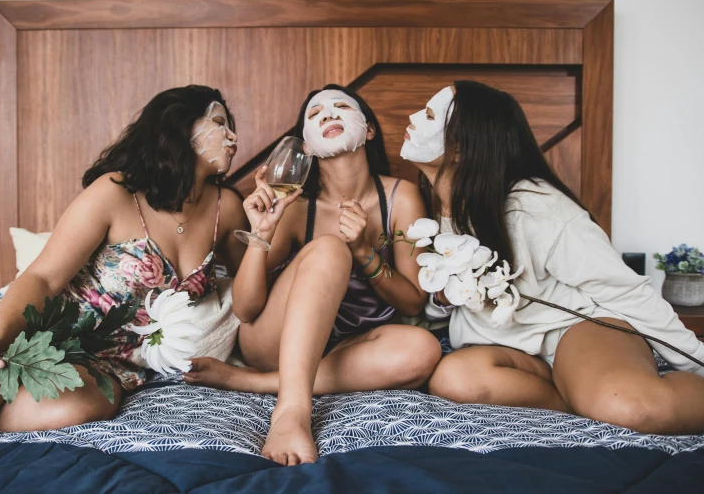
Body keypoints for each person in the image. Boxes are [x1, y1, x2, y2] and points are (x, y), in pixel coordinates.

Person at [0, 85, 248, 438]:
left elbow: (251, 291)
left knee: (79, 408)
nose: (233, 136)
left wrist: (266, 230)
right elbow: (44, 277)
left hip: (103, 359)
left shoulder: (227, 208)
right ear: (183, 128)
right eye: (219, 122)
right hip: (32, 323)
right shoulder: (115, 191)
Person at [403, 80, 704, 435]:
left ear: (460, 148)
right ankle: (578, 396)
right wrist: (441, 300)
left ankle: (598, 392)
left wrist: (697, 362)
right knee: (454, 380)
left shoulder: (534, 206)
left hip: (576, 331)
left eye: (428, 114)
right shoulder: (429, 215)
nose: (412, 117)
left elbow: (623, 290)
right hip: (514, 353)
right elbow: (437, 300)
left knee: (631, 408)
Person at [186, 85, 442, 465]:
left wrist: (365, 253)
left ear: (369, 130)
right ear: (305, 144)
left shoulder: (401, 198)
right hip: (272, 340)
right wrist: (262, 234)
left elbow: (412, 300)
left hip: (346, 345)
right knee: (328, 248)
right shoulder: (294, 206)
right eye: (315, 114)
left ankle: (252, 382)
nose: (328, 114)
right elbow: (246, 309)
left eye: (341, 106)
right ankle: (292, 410)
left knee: (423, 350)